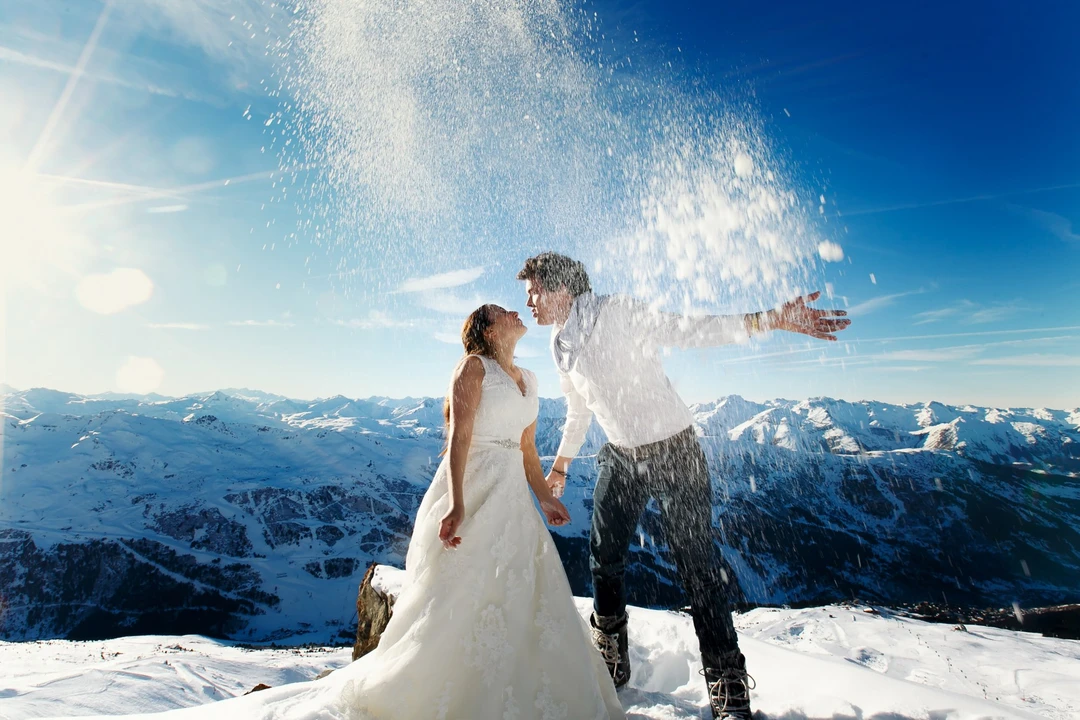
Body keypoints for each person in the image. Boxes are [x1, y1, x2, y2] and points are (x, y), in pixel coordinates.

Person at [79, 305, 626, 720]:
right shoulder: (473, 369)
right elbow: (459, 439)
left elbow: (527, 450)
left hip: (511, 494)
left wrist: (546, 495)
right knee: (461, 589)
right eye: (503, 311)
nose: (515, 313)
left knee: (523, 588)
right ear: (487, 329)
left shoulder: (528, 380)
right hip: (473, 486)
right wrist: (459, 505)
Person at [517, 252, 851, 720]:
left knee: (697, 565)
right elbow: (579, 408)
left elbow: (689, 329)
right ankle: (612, 653)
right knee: (603, 558)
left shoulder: (616, 311)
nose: (529, 301)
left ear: (559, 289)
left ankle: (726, 678)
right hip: (620, 454)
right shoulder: (560, 343)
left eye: (533, 291)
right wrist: (561, 466)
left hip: (675, 451)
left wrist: (771, 319)